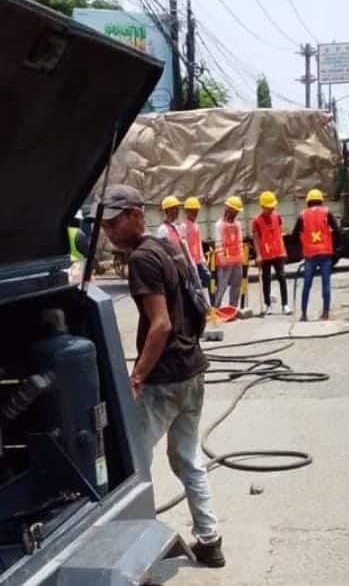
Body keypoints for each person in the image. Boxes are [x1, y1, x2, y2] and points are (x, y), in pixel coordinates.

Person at [98, 184, 225, 568]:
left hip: (166, 379)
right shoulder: (169, 246)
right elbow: (198, 305)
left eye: (115, 222)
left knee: (130, 461)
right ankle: (210, 539)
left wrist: (136, 377)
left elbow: (160, 326)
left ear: (137, 214)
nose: (108, 232)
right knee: (187, 458)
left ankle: (135, 549)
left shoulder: (142, 260)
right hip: (192, 370)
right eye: (105, 226)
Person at [291, 188, 338, 321]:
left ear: (308, 202)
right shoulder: (327, 212)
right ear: (321, 201)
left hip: (310, 254)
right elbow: (337, 230)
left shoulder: (302, 215)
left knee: (306, 284)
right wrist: (335, 247)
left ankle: (304, 314)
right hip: (325, 253)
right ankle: (326, 313)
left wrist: (302, 245)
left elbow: (295, 234)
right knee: (326, 284)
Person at [251, 191, 291, 315]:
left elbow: (279, 233)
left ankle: (285, 305)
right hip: (265, 254)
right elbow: (256, 238)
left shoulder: (277, 216)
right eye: (269, 207)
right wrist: (258, 255)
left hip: (278, 252)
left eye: (273, 206)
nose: (272, 208)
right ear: (263, 206)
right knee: (266, 279)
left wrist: (283, 250)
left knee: (282, 277)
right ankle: (267, 304)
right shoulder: (256, 221)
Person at [212, 196, 245, 308]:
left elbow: (240, 241)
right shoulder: (219, 225)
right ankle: (216, 308)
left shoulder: (238, 224)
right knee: (222, 286)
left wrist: (241, 257)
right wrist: (222, 260)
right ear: (229, 209)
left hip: (237, 260)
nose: (236, 213)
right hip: (225, 262)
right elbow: (218, 243)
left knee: (236, 286)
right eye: (235, 210)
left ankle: (233, 308)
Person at [179, 196, 210, 296]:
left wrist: (203, 259)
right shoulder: (183, 226)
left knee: (210, 282)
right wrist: (189, 263)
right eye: (192, 211)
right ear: (187, 211)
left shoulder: (195, 224)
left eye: (196, 211)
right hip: (191, 263)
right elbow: (184, 246)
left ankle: (213, 305)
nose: (195, 213)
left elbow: (198, 243)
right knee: (195, 288)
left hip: (199, 261)